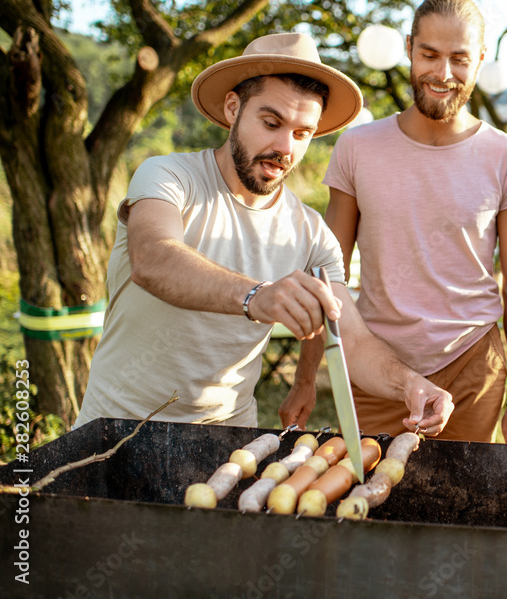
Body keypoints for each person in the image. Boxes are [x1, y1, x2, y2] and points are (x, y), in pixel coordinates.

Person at [75, 32, 454, 436]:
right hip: (114, 428)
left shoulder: (312, 234)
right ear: (233, 107)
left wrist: (410, 383)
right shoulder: (168, 176)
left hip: (230, 437)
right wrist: (257, 296)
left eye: (302, 133)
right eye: (271, 123)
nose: (284, 147)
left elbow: (355, 343)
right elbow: (153, 259)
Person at [293, 0, 507, 444]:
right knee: (371, 499)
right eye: (429, 54)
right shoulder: (358, 147)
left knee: (463, 507)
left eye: (459, 59)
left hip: (473, 368)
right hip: (376, 367)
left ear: (481, 59)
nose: (443, 74)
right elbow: (327, 271)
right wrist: (305, 377)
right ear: (409, 48)